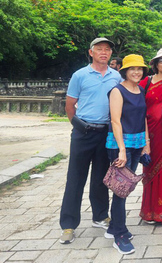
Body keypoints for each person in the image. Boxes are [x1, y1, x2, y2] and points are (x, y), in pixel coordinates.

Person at [59, 37, 121, 245]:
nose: (104, 52)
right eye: (99, 49)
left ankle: (100, 215)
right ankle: (68, 224)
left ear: (111, 54)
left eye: (107, 49)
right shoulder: (80, 75)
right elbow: (70, 106)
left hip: (106, 132)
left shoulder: (116, 76)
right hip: (83, 132)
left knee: (101, 177)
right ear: (91, 52)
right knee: (75, 178)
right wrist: (78, 126)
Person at [105, 54, 149, 255]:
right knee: (121, 189)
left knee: (126, 186)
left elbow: (144, 118)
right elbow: (115, 121)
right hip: (120, 145)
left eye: (140, 69)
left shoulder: (140, 89)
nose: (136, 72)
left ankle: (114, 226)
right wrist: (121, 149)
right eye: (132, 69)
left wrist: (146, 144)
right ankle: (119, 234)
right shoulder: (117, 90)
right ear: (124, 71)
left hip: (137, 143)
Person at [139, 48, 162, 224]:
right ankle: (149, 211)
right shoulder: (146, 81)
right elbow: (135, 102)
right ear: (154, 63)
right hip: (150, 131)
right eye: (161, 60)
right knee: (150, 167)